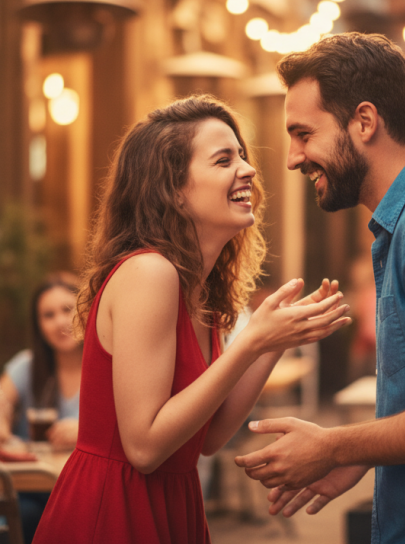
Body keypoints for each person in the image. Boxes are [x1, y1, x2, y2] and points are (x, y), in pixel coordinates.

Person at [233, 33, 405, 543]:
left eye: (303, 134)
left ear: (364, 121)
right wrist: (362, 454)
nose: (293, 158)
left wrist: (336, 447)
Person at [33, 95, 350, 544]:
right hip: (115, 510)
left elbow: (208, 438)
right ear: (174, 190)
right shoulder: (150, 273)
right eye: (224, 160)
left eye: (241, 155)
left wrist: (273, 340)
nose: (248, 169)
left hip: (171, 501)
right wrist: (250, 341)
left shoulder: (199, 289)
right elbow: (144, 448)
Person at [0, 273, 82, 543]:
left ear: (86, 311)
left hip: (82, 491)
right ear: (38, 325)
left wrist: (86, 432)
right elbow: (1, 400)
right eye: (48, 315)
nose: (60, 321)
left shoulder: (108, 368)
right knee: (24, 514)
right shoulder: (27, 365)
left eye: (67, 310)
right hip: (32, 489)